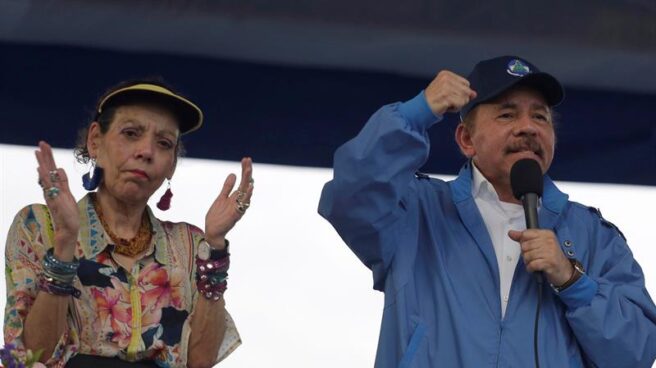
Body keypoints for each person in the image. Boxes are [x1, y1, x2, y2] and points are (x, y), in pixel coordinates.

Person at [318, 56, 656, 367]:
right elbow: (350, 197)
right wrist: (416, 112)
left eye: (540, 116)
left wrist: (572, 280)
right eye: (507, 114)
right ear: (467, 139)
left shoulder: (594, 236)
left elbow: (637, 353)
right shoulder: (416, 210)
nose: (529, 127)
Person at [4, 80, 253, 367]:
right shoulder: (40, 225)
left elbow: (199, 362)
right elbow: (31, 355)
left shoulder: (189, 244)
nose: (146, 151)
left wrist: (217, 249)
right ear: (95, 141)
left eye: (164, 143)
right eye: (131, 133)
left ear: (171, 163)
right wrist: (64, 245)